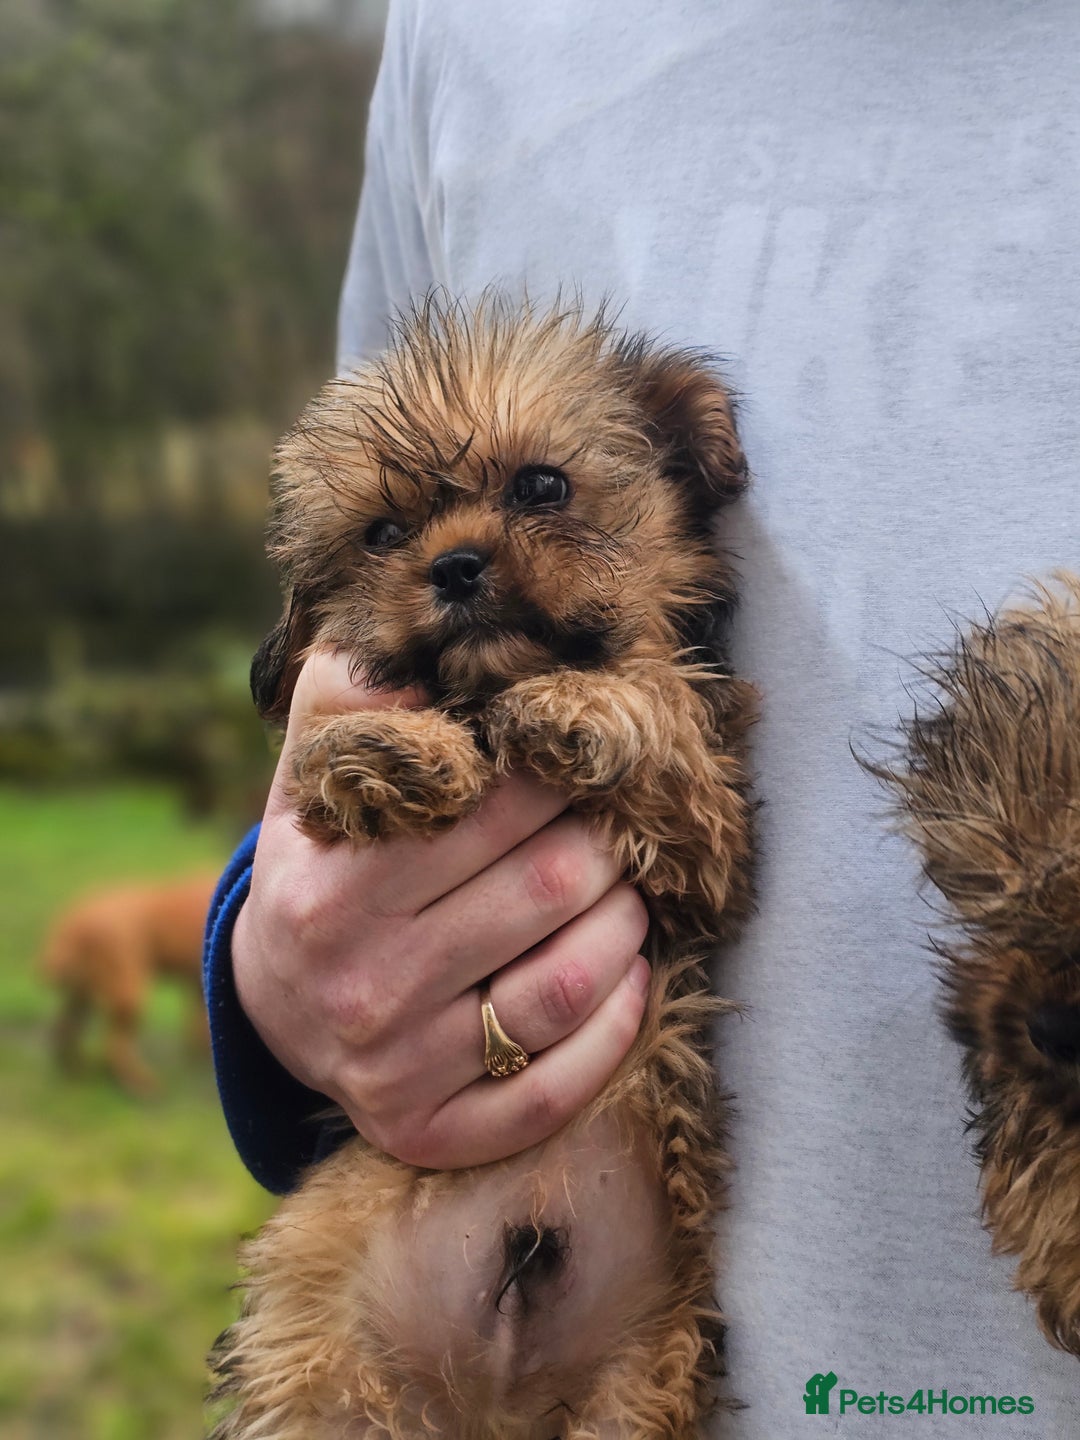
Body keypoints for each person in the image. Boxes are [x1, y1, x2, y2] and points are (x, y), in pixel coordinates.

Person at [204, 1, 1080, 1433]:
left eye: (541, 495)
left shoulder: (655, 683)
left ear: (687, 465)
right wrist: (276, 971)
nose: (466, 555)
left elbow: (696, 837)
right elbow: (314, 813)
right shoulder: (463, 34)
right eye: (401, 535)